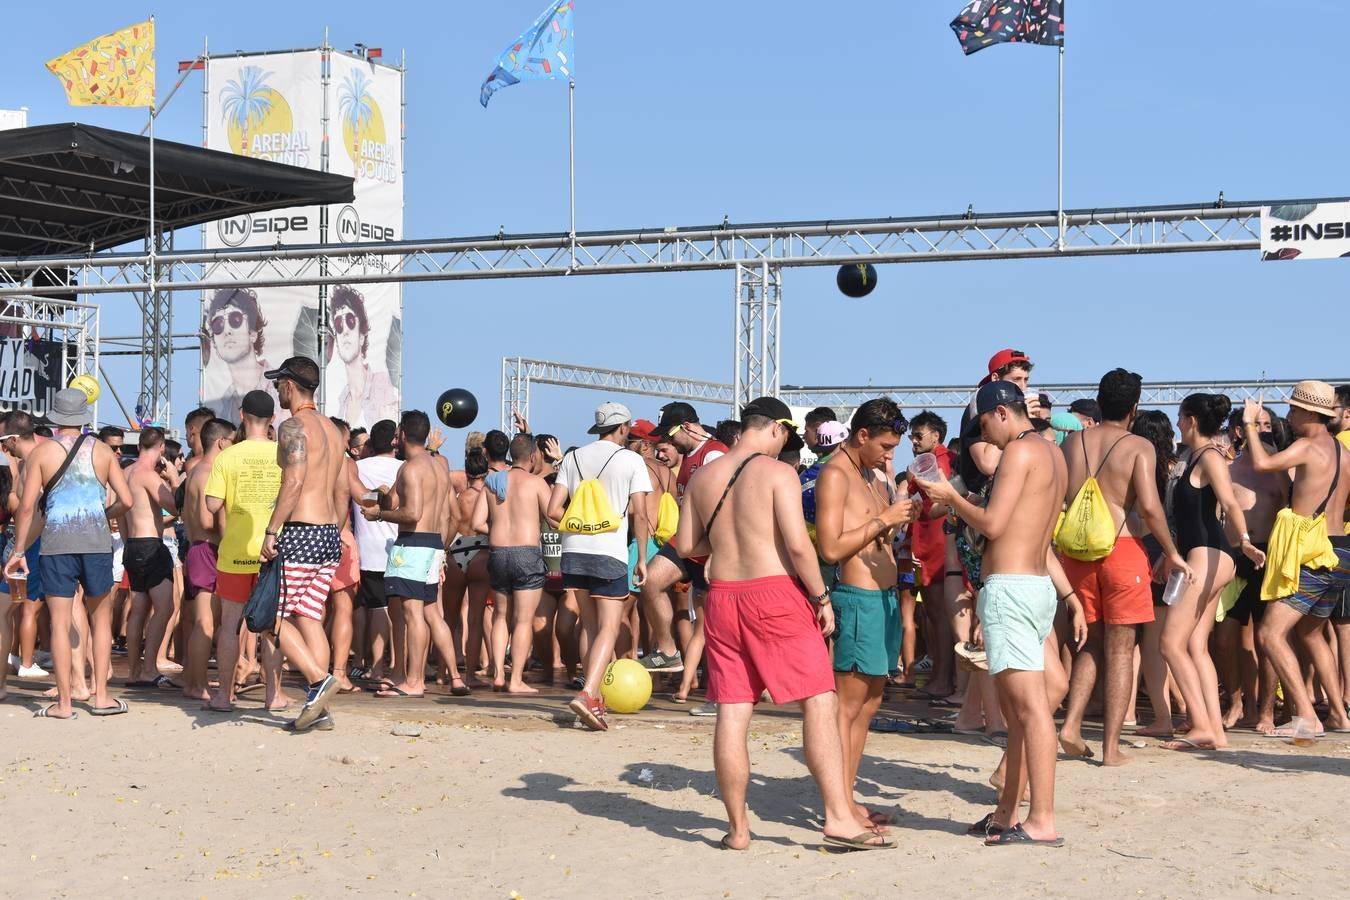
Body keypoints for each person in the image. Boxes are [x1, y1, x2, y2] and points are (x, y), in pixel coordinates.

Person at [673, 395, 891, 852]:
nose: (785, 443)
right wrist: (821, 597)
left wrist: (722, 550)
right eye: (785, 435)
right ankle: (837, 817)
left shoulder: (702, 477)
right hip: (774, 593)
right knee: (819, 700)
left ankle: (737, 829)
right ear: (774, 428)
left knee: (733, 712)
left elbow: (688, 543)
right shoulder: (778, 473)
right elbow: (797, 544)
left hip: (723, 598)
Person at [916, 380, 1069, 846]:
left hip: (1012, 588)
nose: (985, 436)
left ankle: (1041, 819)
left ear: (1002, 413)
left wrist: (951, 498)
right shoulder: (1051, 452)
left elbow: (994, 525)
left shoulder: (1019, 453)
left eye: (984, 424)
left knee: (1029, 708)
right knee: (1020, 711)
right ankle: (1006, 813)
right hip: (1035, 585)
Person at [1056, 369, 1191, 766]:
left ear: (1099, 401)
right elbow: (1148, 507)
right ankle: (1111, 748)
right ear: (1134, 407)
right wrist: (1172, 551)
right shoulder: (1138, 446)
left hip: (1077, 554)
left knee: (1089, 642)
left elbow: (1064, 496)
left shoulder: (1073, 443)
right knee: (1121, 649)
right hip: (1123, 548)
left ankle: (1072, 723)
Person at [814, 398, 914, 828]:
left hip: (884, 600)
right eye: (886, 446)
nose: (891, 455)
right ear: (862, 435)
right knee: (848, 707)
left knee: (870, 703)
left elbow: (874, 531)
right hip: (858, 599)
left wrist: (896, 520)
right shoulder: (836, 474)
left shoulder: (870, 474)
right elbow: (831, 547)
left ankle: (847, 797)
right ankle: (837, 805)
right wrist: (885, 519)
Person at [5, 389, 134, 718]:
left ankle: (63, 704)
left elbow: (27, 509)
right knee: (100, 621)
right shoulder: (104, 451)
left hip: (56, 544)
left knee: (60, 624)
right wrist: (104, 515)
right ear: (83, 417)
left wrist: (19, 549)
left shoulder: (42, 453)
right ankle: (101, 696)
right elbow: (127, 501)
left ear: (55, 418)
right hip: (96, 544)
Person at [1159, 394, 1265, 752]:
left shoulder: (1209, 457)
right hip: (1202, 555)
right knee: (1194, 645)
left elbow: (1230, 501)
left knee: (1169, 644)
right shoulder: (1193, 457)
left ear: (1190, 420)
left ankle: (1202, 723)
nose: (1176, 423)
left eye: (1179, 417)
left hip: (1210, 556)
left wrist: (1246, 541)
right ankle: (1215, 730)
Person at [1245, 382, 1350, 738]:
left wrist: (1248, 424)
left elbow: (1260, 463)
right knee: (1311, 633)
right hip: (1341, 548)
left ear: (1308, 413)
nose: (1288, 416)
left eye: (1292, 409)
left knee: (1271, 633)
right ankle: (1338, 714)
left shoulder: (1307, 446)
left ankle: (1307, 716)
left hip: (1313, 551)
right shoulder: (1342, 451)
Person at [547, 402, 652, 731]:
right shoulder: (632, 460)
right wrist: (644, 558)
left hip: (574, 551)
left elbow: (552, 510)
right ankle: (589, 692)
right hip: (610, 552)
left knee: (589, 628)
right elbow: (640, 514)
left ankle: (595, 700)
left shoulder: (572, 458)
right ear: (623, 427)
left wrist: (579, 530)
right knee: (609, 626)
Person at [260, 357, 350, 731]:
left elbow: (293, 482)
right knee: (310, 617)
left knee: (268, 617)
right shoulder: (332, 429)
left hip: (301, 531)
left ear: (289, 385)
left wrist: (271, 530)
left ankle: (318, 681)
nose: (276, 389)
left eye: (277, 382)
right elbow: (343, 488)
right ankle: (322, 710)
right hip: (328, 532)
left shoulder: (294, 426)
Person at [365, 410, 461, 700]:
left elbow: (412, 512)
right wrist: (384, 497)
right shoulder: (438, 468)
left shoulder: (411, 468)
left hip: (413, 544)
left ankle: (414, 681)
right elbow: (444, 515)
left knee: (412, 614)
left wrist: (379, 514)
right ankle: (415, 677)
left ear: (403, 434)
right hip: (432, 544)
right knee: (427, 612)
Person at [643, 402, 728, 711]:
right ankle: (667, 651)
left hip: (711, 548)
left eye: (669, 434)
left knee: (715, 629)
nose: (666, 442)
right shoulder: (686, 461)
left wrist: (717, 554)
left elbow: (724, 508)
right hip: (688, 544)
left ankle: (722, 695)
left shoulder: (714, 453)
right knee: (650, 580)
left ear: (689, 427)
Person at [204, 392, 283, 712]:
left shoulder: (228, 456)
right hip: (273, 551)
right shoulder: (283, 455)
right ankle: (273, 696)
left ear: (242, 415)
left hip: (235, 550)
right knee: (272, 628)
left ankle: (224, 695)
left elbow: (211, 505)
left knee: (230, 625)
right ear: (272, 420)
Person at [475, 431, 550, 694]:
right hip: (527, 554)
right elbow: (553, 517)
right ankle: (516, 680)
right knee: (522, 621)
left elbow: (476, 523)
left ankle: (497, 675)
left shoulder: (493, 481)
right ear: (532, 456)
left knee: (500, 616)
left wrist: (498, 531)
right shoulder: (536, 483)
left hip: (498, 552)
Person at [119, 427, 184, 688]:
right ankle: (148, 668)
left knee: (139, 610)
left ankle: (135, 671)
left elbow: (121, 513)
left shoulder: (125, 473)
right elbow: (175, 506)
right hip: (151, 544)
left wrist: (128, 545)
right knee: (165, 607)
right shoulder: (148, 475)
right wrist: (175, 478)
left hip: (132, 545)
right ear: (159, 449)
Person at [180, 417, 233, 701]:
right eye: (232, 441)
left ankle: (194, 680)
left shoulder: (196, 470)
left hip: (197, 548)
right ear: (221, 441)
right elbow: (204, 518)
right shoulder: (209, 472)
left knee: (201, 621)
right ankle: (196, 684)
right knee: (205, 623)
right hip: (207, 549)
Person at [352, 419, 402, 686]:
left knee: (378, 609)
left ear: (371, 443)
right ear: (396, 441)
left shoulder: (357, 467)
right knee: (399, 611)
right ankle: (395, 667)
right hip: (399, 548)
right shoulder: (406, 469)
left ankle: (379, 668)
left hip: (369, 549)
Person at [906, 411, 953, 687]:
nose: (913, 441)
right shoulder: (930, 461)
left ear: (936, 436)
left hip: (935, 545)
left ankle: (943, 678)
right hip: (925, 543)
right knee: (932, 615)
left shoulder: (941, 462)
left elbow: (940, 499)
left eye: (918, 435)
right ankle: (940, 675)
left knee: (938, 613)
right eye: (912, 436)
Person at [325, 417, 364, 694]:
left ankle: (315, 669)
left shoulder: (308, 462)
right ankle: (339, 673)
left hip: (309, 537)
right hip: (341, 539)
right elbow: (361, 496)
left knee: (310, 611)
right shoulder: (344, 463)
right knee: (343, 610)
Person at [202, 287, 278, 425]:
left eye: (235, 320)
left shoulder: (280, 388)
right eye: (218, 325)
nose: (227, 331)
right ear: (214, 341)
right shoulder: (224, 405)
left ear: (253, 333)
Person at [327, 285, 399, 428]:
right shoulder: (339, 400)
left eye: (350, 321)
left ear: (361, 336)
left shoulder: (384, 385)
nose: (345, 331)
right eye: (338, 325)